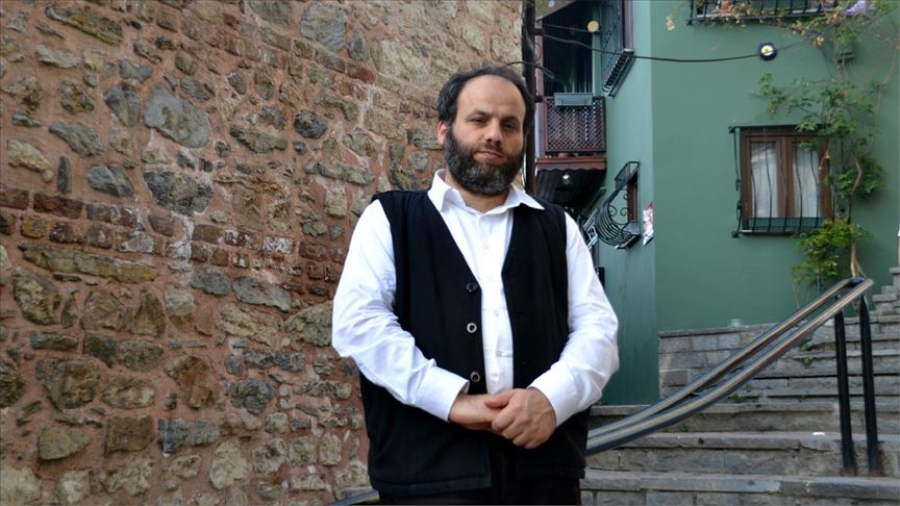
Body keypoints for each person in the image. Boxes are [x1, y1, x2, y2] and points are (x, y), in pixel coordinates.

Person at [331, 65, 619, 505]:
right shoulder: (390, 218)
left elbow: (598, 330)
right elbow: (360, 325)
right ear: (444, 130)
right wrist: (450, 399)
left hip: (544, 479)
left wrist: (549, 398)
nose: (494, 135)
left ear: (523, 139)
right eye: (479, 119)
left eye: (509, 125)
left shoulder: (558, 227)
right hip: (427, 479)